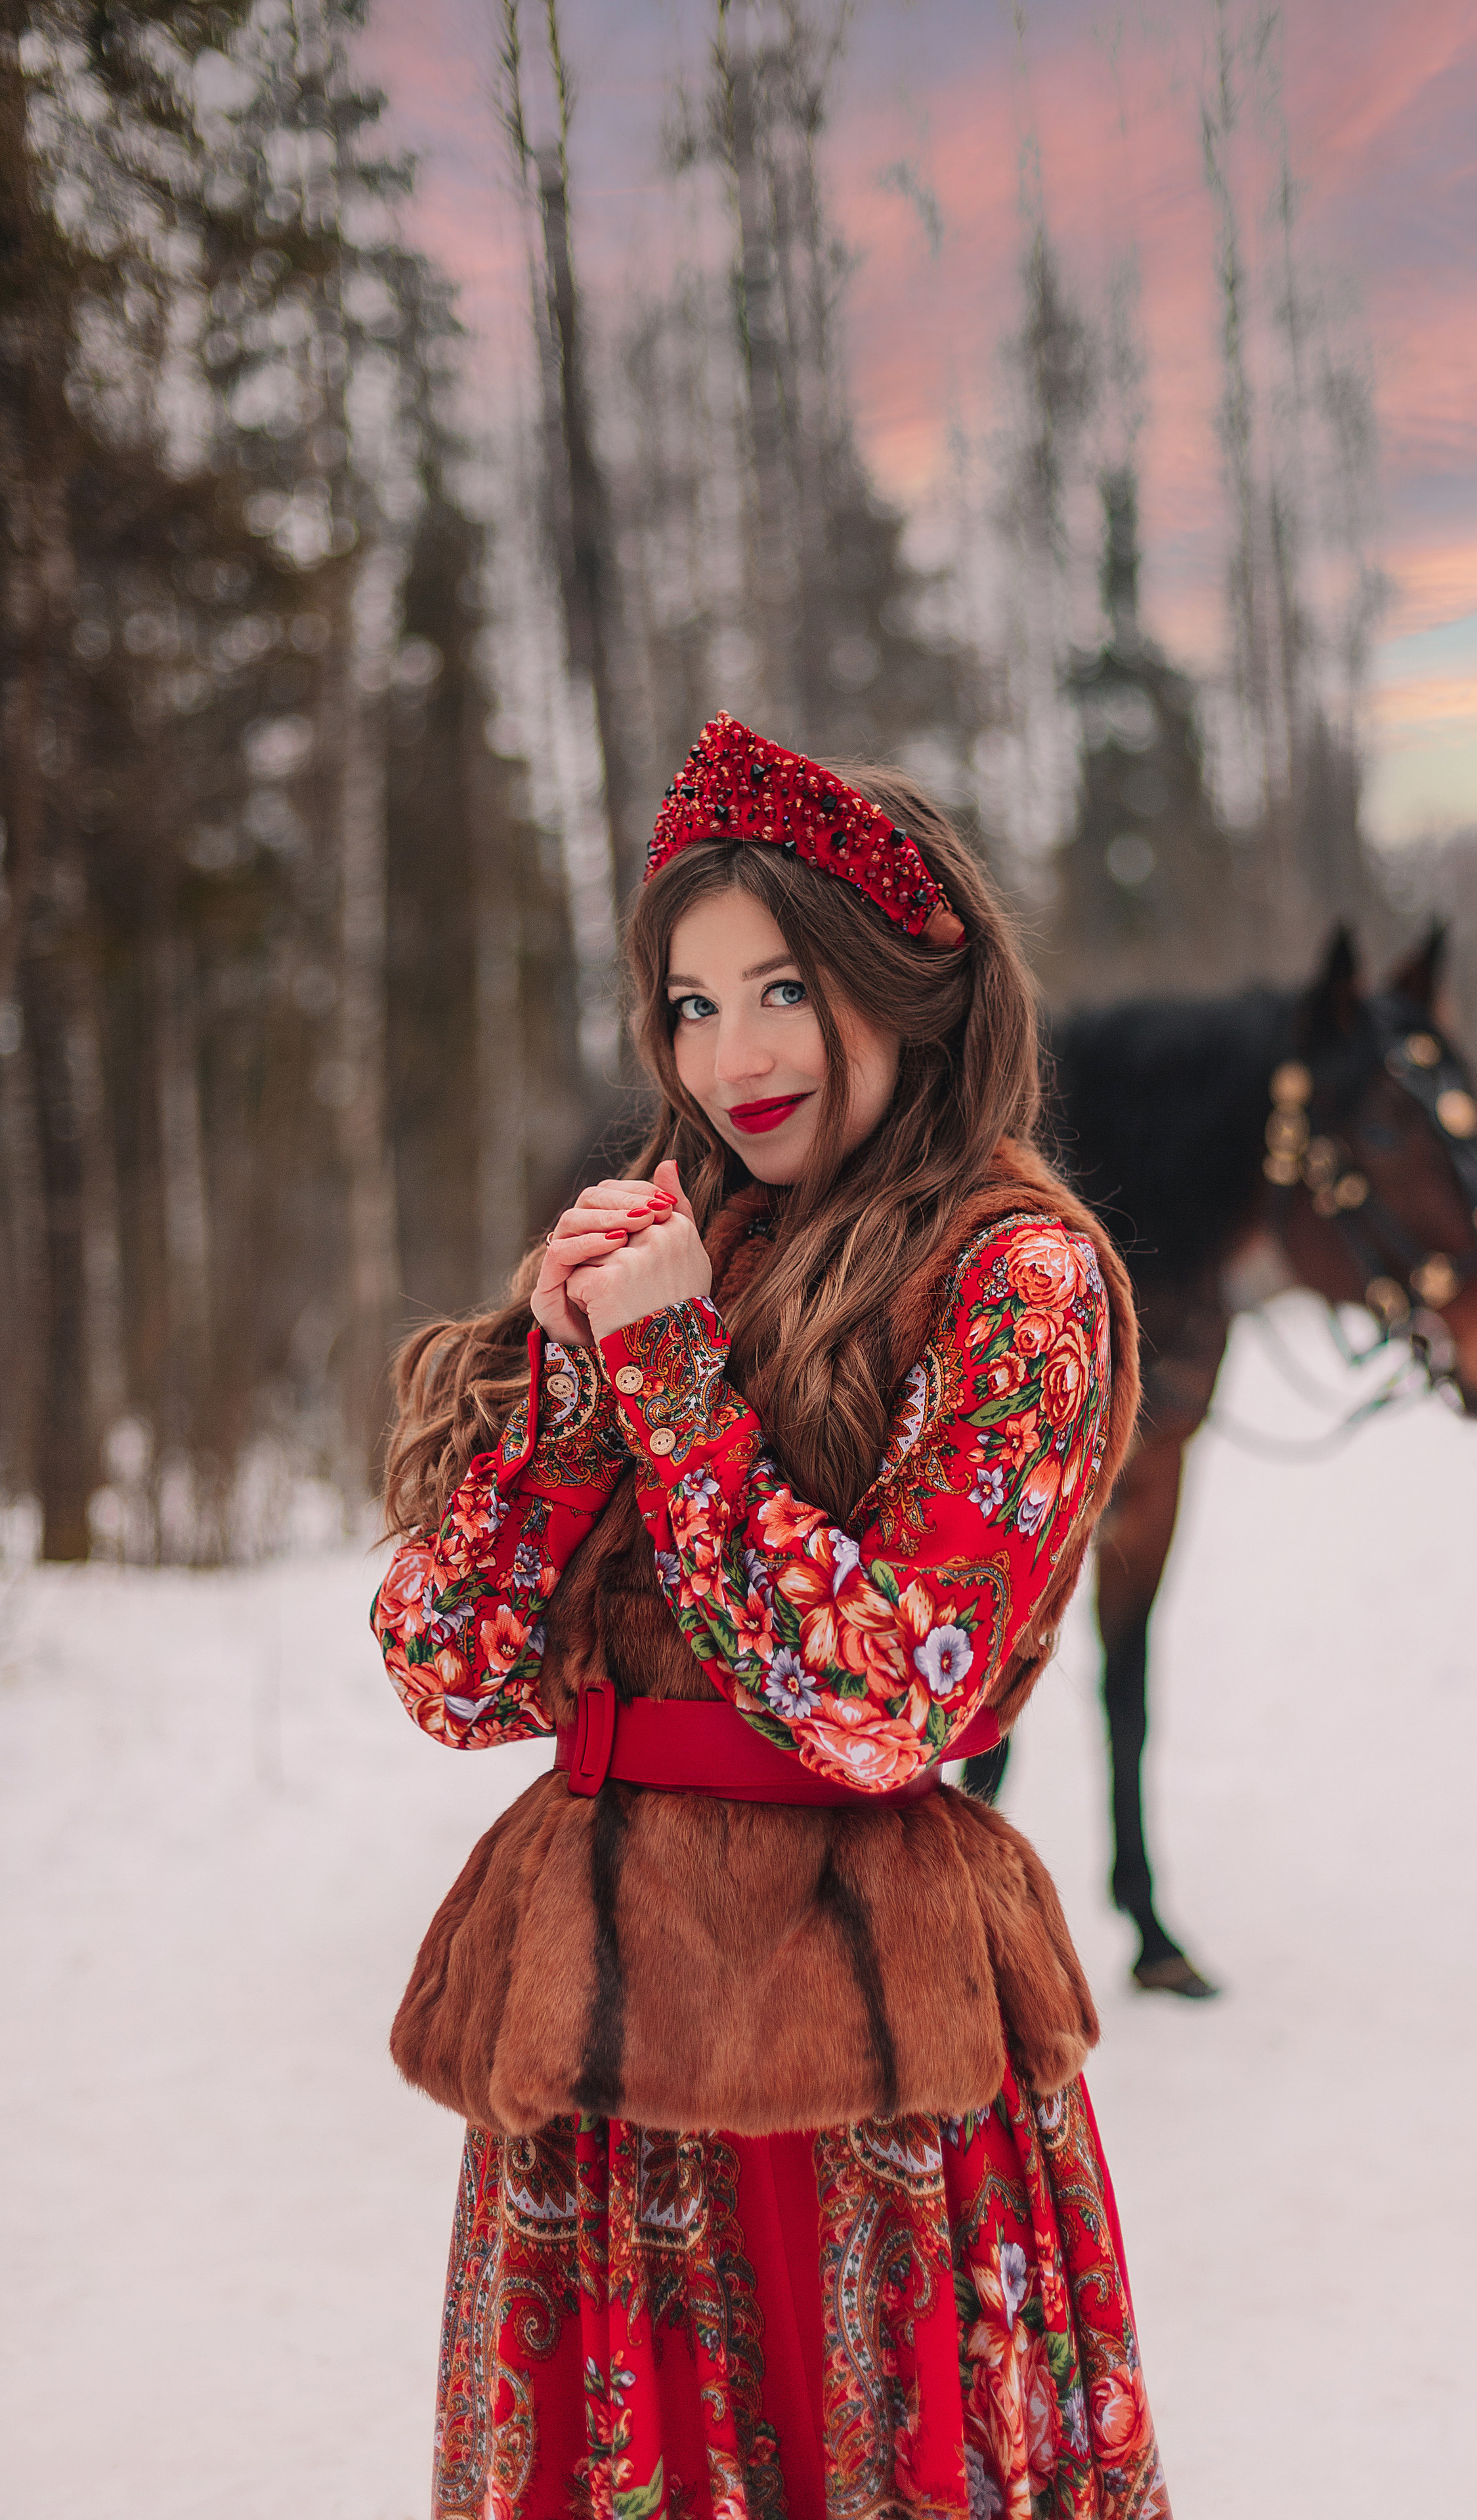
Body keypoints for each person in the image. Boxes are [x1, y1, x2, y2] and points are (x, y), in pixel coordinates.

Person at [374, 713, 1171, 2520]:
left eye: (782, 991)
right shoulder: (670, 1243)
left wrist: (667, 1381)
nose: (729, 1053)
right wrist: (579, 1399)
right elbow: (451, 1665)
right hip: (592, 2051)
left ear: (907, 983)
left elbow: (898, 1696)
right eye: (687, 1004)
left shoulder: (1017, 1279)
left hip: (859, 2065)